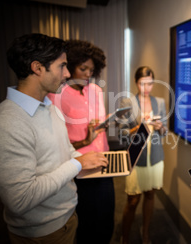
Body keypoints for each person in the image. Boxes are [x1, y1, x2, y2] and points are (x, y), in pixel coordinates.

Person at [0, 33, 108, 244]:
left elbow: (64, 151)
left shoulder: (49, 108)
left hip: (66, 217)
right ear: (38, 68)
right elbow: (20, 199)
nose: (67, 73)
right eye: (62, 66)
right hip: (42, 233)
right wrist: (77, 163)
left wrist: (83, 158)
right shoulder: (4, 122)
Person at [48, 40, 114, 243]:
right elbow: (57, 143)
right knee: (86, 223)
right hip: (80, 167)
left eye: (91, 69)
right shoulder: (56, 95)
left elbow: (99, 124)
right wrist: (85, 140)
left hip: (105, 161)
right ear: (70, 66)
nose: (87, 74)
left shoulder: (96, 90)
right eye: (82, 68)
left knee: (106, 220)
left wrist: (107, 123)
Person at [119, 66, 167, 244]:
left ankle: (145, 232)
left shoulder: (160, 102)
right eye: (142, 84)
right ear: (136, 83)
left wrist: (160, 126)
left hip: (154, 157)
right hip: (135, 157)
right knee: (132, 200)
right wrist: (140, 127)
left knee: (150, 195)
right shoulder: (127, 102)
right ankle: (125, 235)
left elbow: (164, 132)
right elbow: (122, 133)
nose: (146, 88)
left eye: (150, 83)